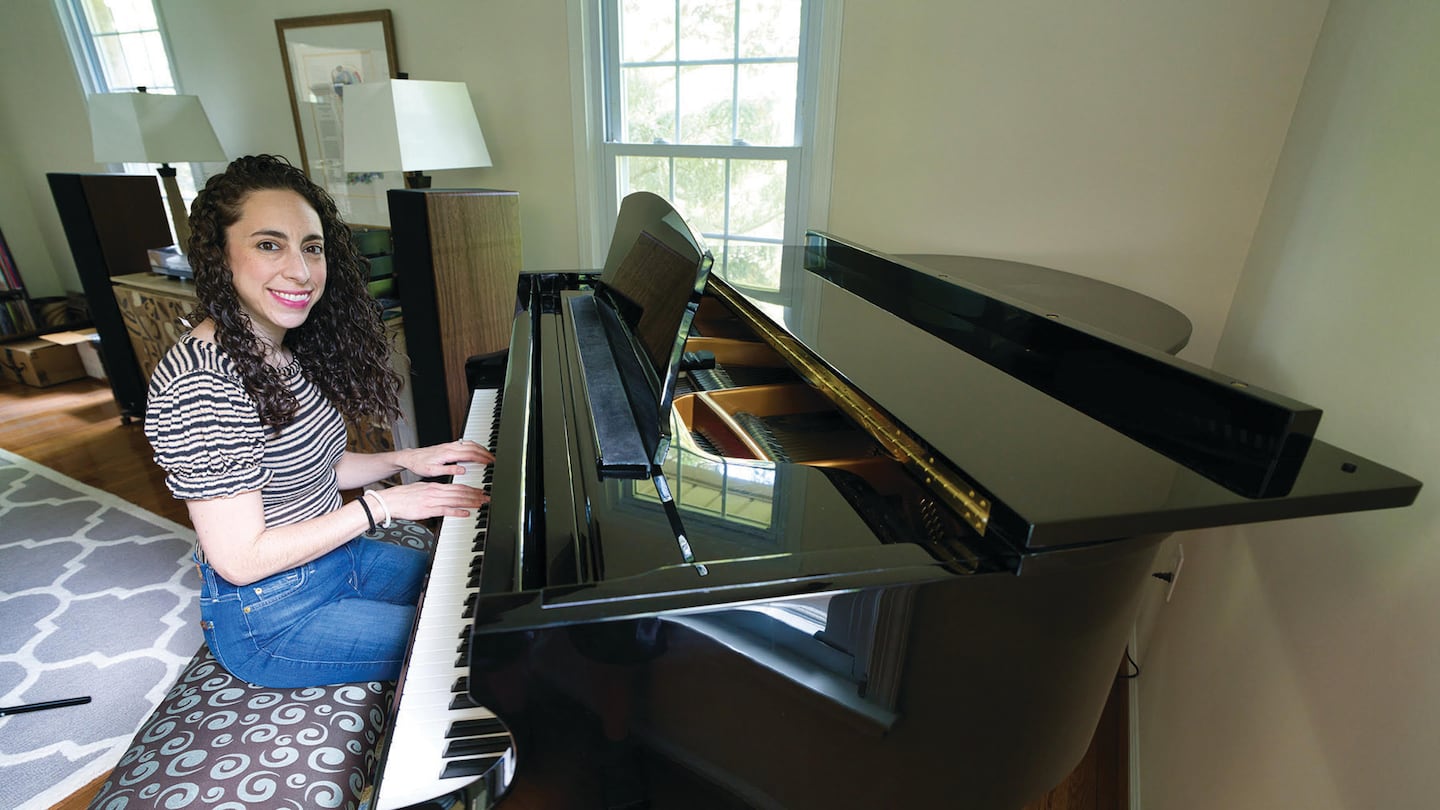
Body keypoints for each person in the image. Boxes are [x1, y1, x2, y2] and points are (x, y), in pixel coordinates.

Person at [144, 154, 491, 688]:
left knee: (483, 590)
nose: (300, 272)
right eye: (268, 245)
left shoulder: (274, 348)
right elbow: (239, 559)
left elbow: (313, 467)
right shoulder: (203, 384)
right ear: (220, 257)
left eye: (311, 247)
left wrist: (405, 459)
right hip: (276, 617)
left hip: (336, 562)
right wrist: (385, 504)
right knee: (476, 643)